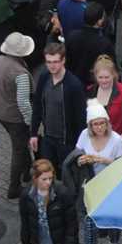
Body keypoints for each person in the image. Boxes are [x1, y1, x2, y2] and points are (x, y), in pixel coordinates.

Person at [75, 102, 122, 244]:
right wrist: (81, 160)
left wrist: (105, 161)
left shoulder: (117, 140)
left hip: (111, 187)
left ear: (107, 122)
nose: (99, 127)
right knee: (89, 221)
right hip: (91, 186)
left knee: (112, 220)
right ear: (90, 125)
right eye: (95, 124)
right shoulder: (84, 135)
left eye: (102, 123)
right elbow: (76, 154)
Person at [30, 43, 87, 175]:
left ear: (63, 60)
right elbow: (37, 105)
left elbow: (80, 119)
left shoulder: (74, 85)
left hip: (67, 142)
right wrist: (33, 133)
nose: (52, 66)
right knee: (47, 174)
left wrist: (79, 145)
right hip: (48, 139)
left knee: (67, 176)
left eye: (56, 61)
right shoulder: (44, 77)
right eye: (48, 62)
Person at [0, 33, 34, 199]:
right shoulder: (20, 73)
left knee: (21, 144)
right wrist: (31, 123)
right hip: (15, 117)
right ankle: (14, 187)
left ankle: (27, 171)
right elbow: (23, 102)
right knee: (19, 149)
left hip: (1, 113)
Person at [87, 56, 122, 151]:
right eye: (100, 77)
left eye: (107, 77)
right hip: (96, 145)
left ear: (114, 75)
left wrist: (118, 141)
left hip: (119, 147)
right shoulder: (90, 92)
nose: (103, 81)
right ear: (95, 76)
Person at [64, 2, 116, 90]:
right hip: (92, 87)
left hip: (72, 83)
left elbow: (66, 60)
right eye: (103, 17)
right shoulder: (104, 44)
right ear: (99, 22)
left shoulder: (72, 36)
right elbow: (111, 69)